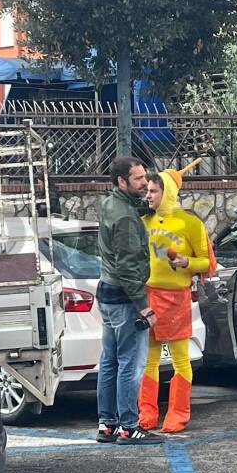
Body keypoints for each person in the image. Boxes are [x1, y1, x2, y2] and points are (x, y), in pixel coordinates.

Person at [138, 166, 211, 433]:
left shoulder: (190, 223)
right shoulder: (144, 221)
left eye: (153, 191)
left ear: (167, 192)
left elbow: (205, 262)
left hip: (176, 299)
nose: (148, 196)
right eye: (147, 190)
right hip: (149, 296)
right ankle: (147, 412)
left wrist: (185, 262)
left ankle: (178, 414)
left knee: (181, 360)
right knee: (149, 360)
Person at [96, 156, 162, 445]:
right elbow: (127, 266)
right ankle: (129, 427)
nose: (145, 183)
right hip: (124, 298)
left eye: (145, 177)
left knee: (109, 361)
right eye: (138, 179)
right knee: (130, 364)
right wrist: (144, 306)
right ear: (121, 181)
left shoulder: (111, 204)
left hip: (107, 293)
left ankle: (107, 424)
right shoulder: (123, 217)